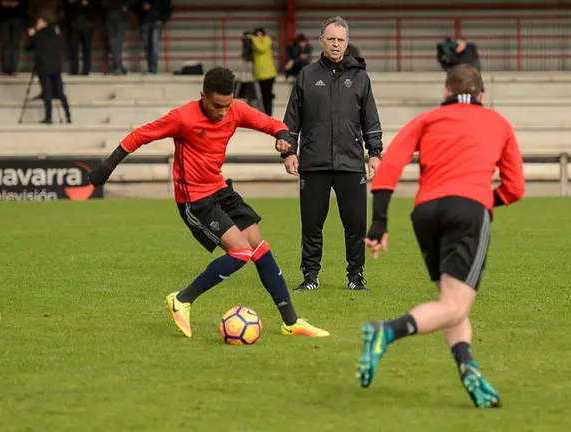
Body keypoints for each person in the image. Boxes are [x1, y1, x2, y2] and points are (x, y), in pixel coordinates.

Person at [87, 67, 329, 339]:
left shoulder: (235, 110)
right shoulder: (182, 118)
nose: (223, 112)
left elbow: (273, 124)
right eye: (216, 105)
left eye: (227, 105)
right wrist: (106, 168)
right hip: (194, 199)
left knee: (258, 246)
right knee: (240, 253)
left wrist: (283, 138)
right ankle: (182, 299)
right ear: (203, 96)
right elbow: (139, 136)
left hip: (220, 190)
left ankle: (290, 321)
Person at [355, 64, 525, 408]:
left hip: (426, 213)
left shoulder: (427, 119)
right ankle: (386, 332)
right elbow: (515, 188)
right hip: (468, 211)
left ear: (446, 93)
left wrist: (380, 223)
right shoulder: (499, 123)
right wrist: (484, 199)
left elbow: (388, 167)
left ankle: (468, 369)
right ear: (481, 95)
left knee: (450, 303)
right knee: (454, 304)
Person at [281, 16, 383, 292]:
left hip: (351, 163)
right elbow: (291, 120)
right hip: (314, 163)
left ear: (347, 43)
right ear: (321, 41)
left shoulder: (360, 77)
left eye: (341, 40)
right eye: (331, 39)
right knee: (312, 223)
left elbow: (370, 120)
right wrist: (289, 152)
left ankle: (356, 276)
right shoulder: (306, 76)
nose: (336, 44)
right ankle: (310, 276)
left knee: (355, 223)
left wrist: (374, 153)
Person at [26, 12, 72, 124]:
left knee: (47, 92)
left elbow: (28, 47)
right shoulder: (56, 34)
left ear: (45, 22)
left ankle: (48, 117)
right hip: (55, 66)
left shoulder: (38, 35)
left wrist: (32, 34)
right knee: (60, 92)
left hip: (43, 67)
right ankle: (68, 116)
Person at [136, 0, 171, 74]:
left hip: (155, 21)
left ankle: (153, 68)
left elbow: (167, 6)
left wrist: (164, 19)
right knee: (147, 46)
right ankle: (151, 67)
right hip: (145, 21)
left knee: (154, 45)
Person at [0, 0, 28, 76]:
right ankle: (5, 69)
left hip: (17, 18)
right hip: (4, 19)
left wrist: (16, 3)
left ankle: (13, 69)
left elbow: (25, 4)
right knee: (5, 45)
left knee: (15, 45)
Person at [249, 27, 278, 116]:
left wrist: (253, 38)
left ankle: (268, 114)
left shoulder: (266, 40)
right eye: (256, 35)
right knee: (263, 96)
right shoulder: (255, 44)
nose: (259, 36)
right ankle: (266, 113)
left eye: (260, 34)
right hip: (260, 74)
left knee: (267, 96)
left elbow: (261, 48)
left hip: (268, 74)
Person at [65, 0, 94, 76]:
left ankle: (86, 70)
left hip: (87, 24)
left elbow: (94, 8)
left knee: (86, 49)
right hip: (74, 24)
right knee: (73, 48)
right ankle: (74, 69)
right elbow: (68, 7)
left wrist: (87, 5)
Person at [101, 0, 129, 75]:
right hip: (116, 18)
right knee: (116, 43)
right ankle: (118, 65)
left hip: (111, 17)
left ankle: (117, 65)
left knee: (114, 43)